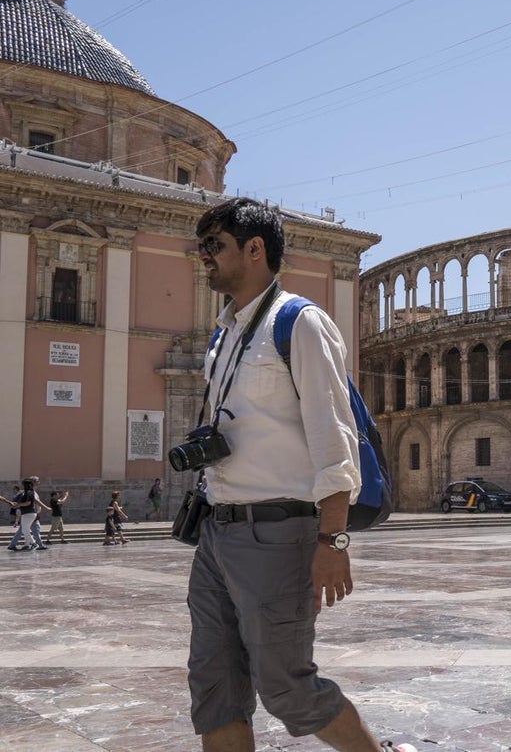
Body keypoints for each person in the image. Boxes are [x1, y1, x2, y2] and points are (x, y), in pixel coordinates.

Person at [186, 197, 379, 750]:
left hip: (277, 533)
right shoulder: (222, 336)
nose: (204, 257)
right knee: (214, 685)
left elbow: (335, 438)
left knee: (288, 689)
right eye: (201, 247)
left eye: (214, 246)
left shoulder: (300, 323)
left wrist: (333, 539)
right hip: (216, 532)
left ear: (255, 249)